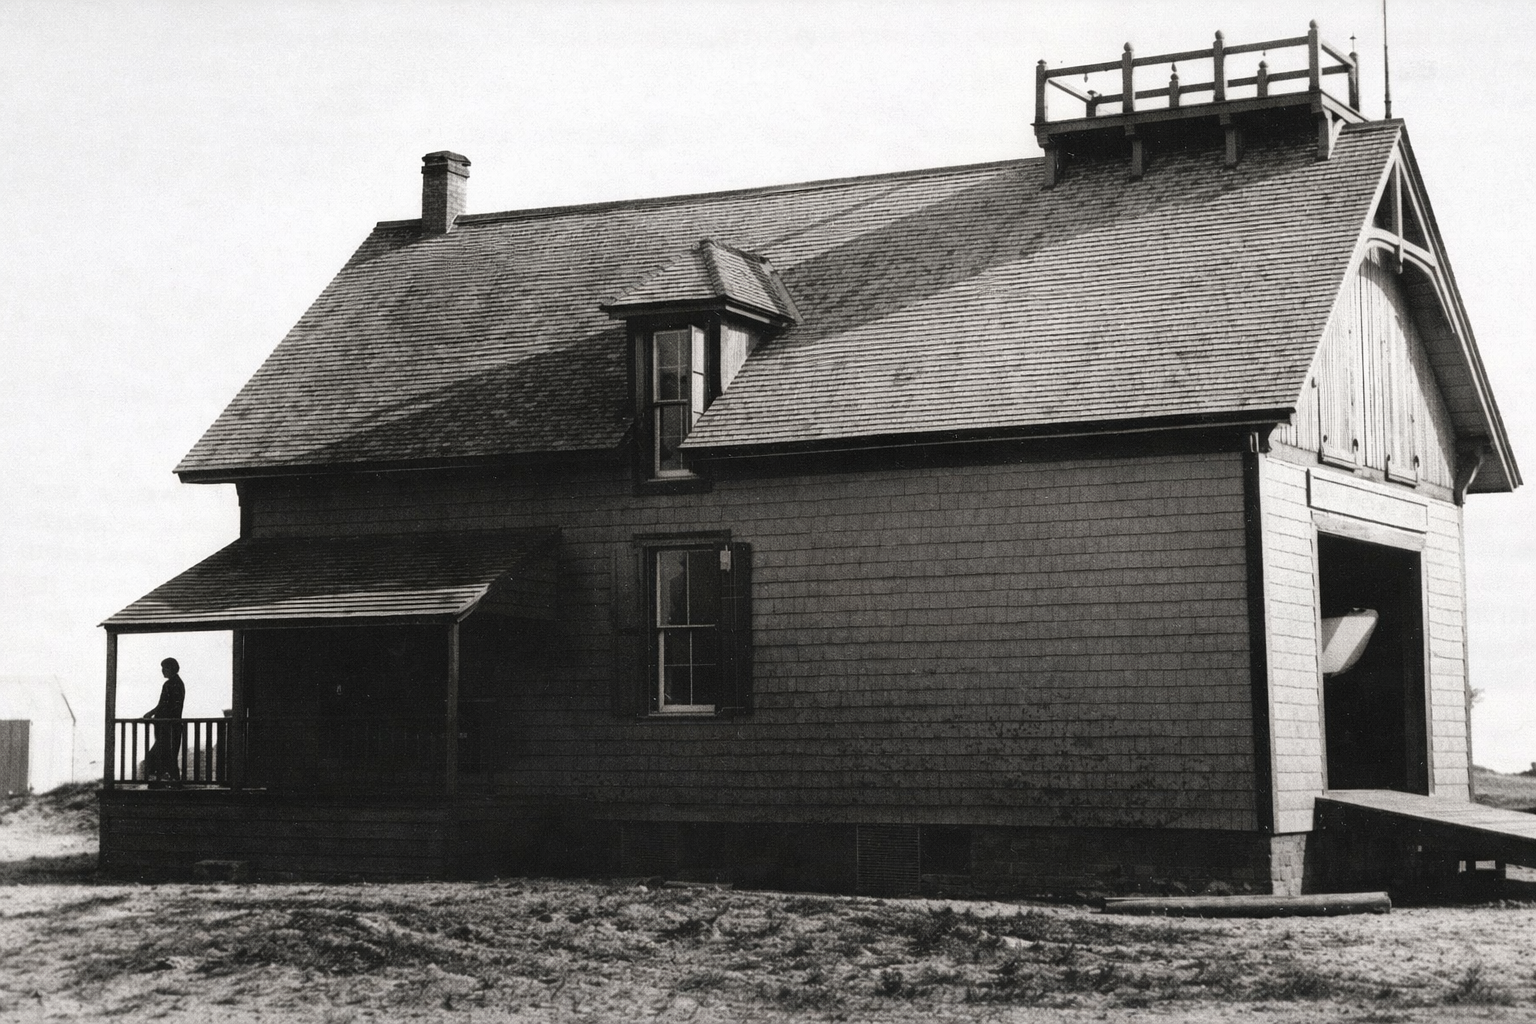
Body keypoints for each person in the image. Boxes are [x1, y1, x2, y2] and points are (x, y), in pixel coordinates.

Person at [143, 657, 186, 785]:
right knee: (168, 757)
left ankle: (161, 783)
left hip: (168, 727)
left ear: (172, 669)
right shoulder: (177, 683)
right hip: (170, 726)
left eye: (165, 668)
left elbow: (163, 705)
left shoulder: (170, 684)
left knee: (159, 756)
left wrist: (151, 714)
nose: (163, 671)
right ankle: (173, 782)